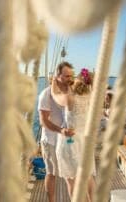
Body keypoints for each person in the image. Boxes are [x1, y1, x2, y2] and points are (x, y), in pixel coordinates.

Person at [51, 68, 96, 202]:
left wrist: (54, 81)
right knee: (88, 177)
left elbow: (54, 95)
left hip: (70, 142)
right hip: (85, 141)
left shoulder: (69, 98)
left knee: (72, 182)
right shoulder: (92, 97)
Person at [38, 61, 75, 202]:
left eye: (71, 76)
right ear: (57, 76)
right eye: (66, 76)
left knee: (70, 175)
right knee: (52, 173)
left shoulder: (70, 93)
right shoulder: (45, 95)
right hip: (51, 141)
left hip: (67, 142)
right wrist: (61, 130)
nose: (70, 79)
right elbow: (43, 121)